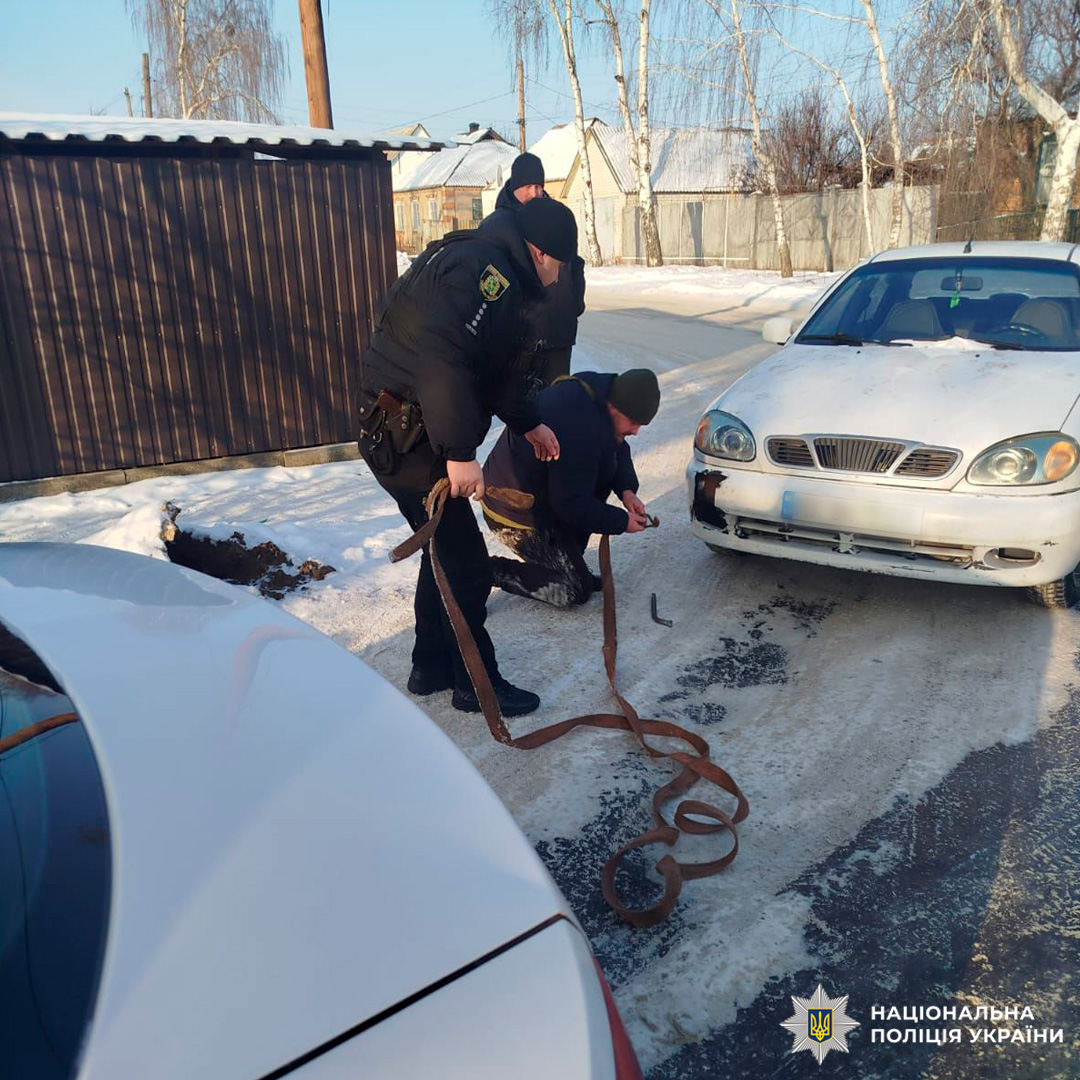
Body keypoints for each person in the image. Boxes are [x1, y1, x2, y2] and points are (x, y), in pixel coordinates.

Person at [357, 197, 579, 717]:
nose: (561, 276)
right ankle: (476, 684)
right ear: (542, 253)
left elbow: (492, 368)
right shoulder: (486, 272)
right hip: (407, 437)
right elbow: (444, 356)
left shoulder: (492, 263)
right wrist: (459, 453)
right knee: (468, 566)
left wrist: (529, 423)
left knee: (447, 550)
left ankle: (430, 664)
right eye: (562, 264)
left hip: (410, 428)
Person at [480, 368, 660, 608]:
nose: (636, 431)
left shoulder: (598, 396)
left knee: (577, 551)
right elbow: (571, 505)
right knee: (572, 588)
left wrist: (627, 490)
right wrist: (621, 521)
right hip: (512, 511)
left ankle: (564, 564)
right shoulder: (578, 427)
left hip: (540, 497)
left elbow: (618, 447)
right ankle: (486, 570)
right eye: (634, 423)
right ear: (615, 408)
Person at [480, 152, 586, 385]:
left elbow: (573, 263)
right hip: (525, 338)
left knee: (558, 403)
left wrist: (575, 303)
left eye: (539, 186)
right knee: (525, 409)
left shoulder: (556, 216)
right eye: (528, 186)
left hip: (560, 333)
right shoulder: (500, 225)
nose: (535, 193)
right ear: (515, 185)